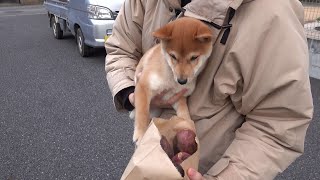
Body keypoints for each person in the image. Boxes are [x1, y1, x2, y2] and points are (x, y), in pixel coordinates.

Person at [105, 0, 314, 179]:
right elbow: (120, 48)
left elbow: (278, 121)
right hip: (149, 159)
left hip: (212, 168)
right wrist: (134, 94)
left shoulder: (271, 12)